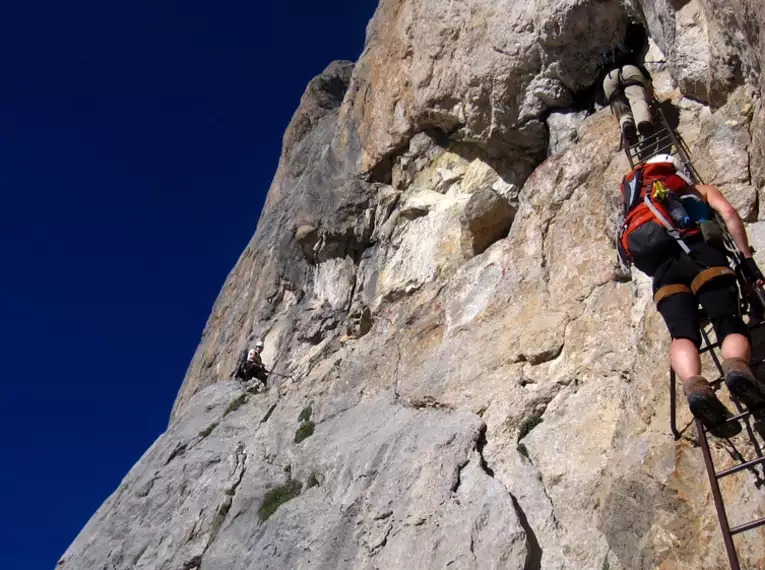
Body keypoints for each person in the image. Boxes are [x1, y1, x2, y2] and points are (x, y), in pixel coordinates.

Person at [617, 154, 765, 437]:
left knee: (682, 336)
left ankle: (695, 385)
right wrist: (746, 260)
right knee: (727, 320)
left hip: (664, 277)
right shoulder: (697, 190)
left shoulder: (638, 209)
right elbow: (729, 214)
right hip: (703, 257)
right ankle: (736, 369)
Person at [586, 23, 654, 150]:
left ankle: (627, 126)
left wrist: (590, 109)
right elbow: (642, 70)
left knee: (623, 112)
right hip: (628, 71)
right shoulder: (630, 55)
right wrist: (648, 86)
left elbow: (598, 87)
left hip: (609, 80)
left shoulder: (606, 65)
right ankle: (643, 122)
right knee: (636, 99)